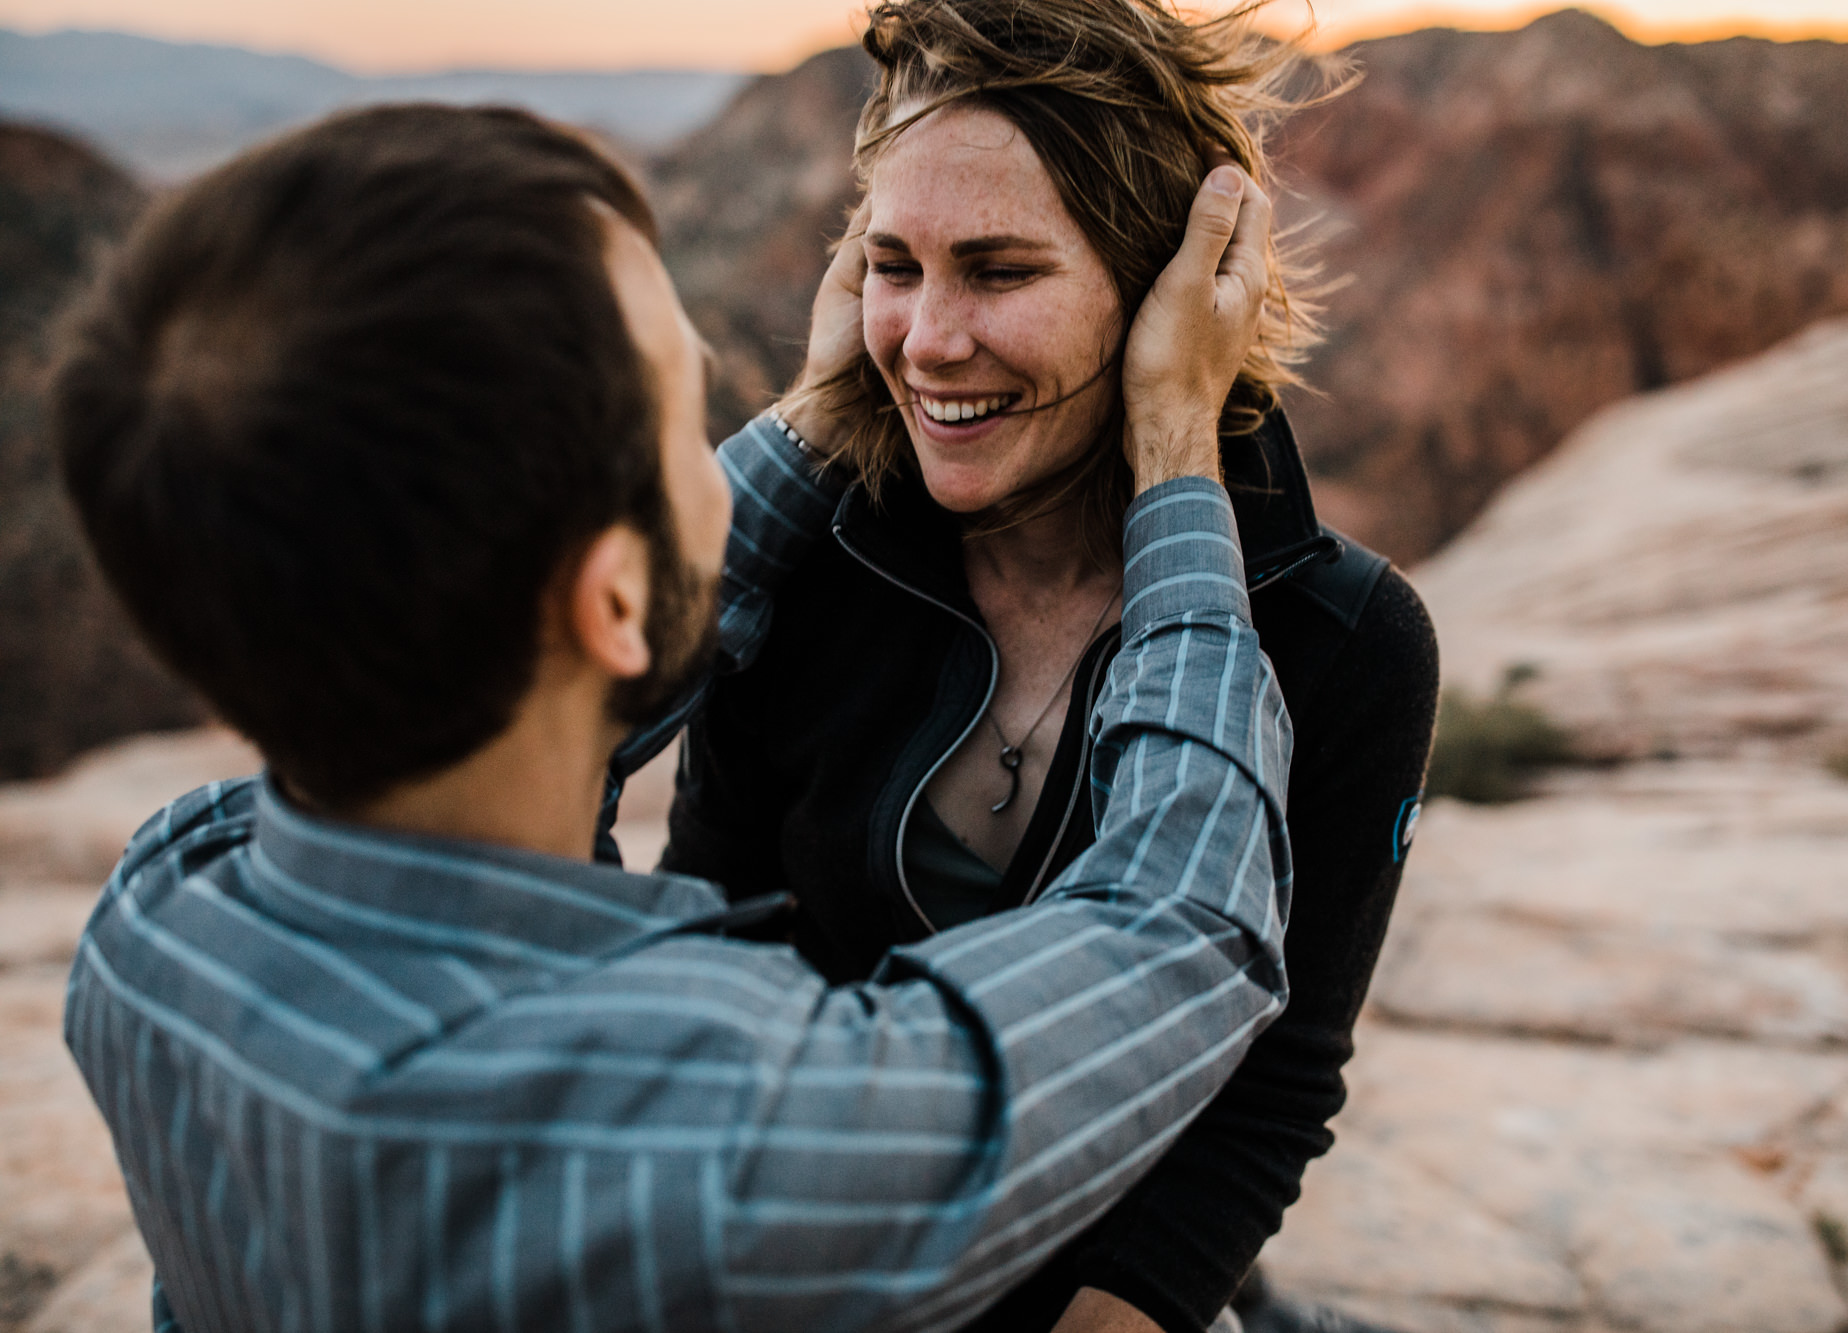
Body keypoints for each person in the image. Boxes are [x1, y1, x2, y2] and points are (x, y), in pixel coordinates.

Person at [55, 103, 1297, 1331]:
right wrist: (1176, 449)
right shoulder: (724, 1140)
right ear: (611, 597)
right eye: (680, 417)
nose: (733, 452)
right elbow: (1181, 920)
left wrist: (821, 404)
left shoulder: (158, 911)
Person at [619, 3, 1441, 1331]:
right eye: (894, 265)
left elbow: (1268, 1091)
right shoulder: (819, 561)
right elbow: (714, 922)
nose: (931, 339)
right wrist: (817, 417)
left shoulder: (1344, 640)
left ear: (1168, 288)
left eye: (998, 271)